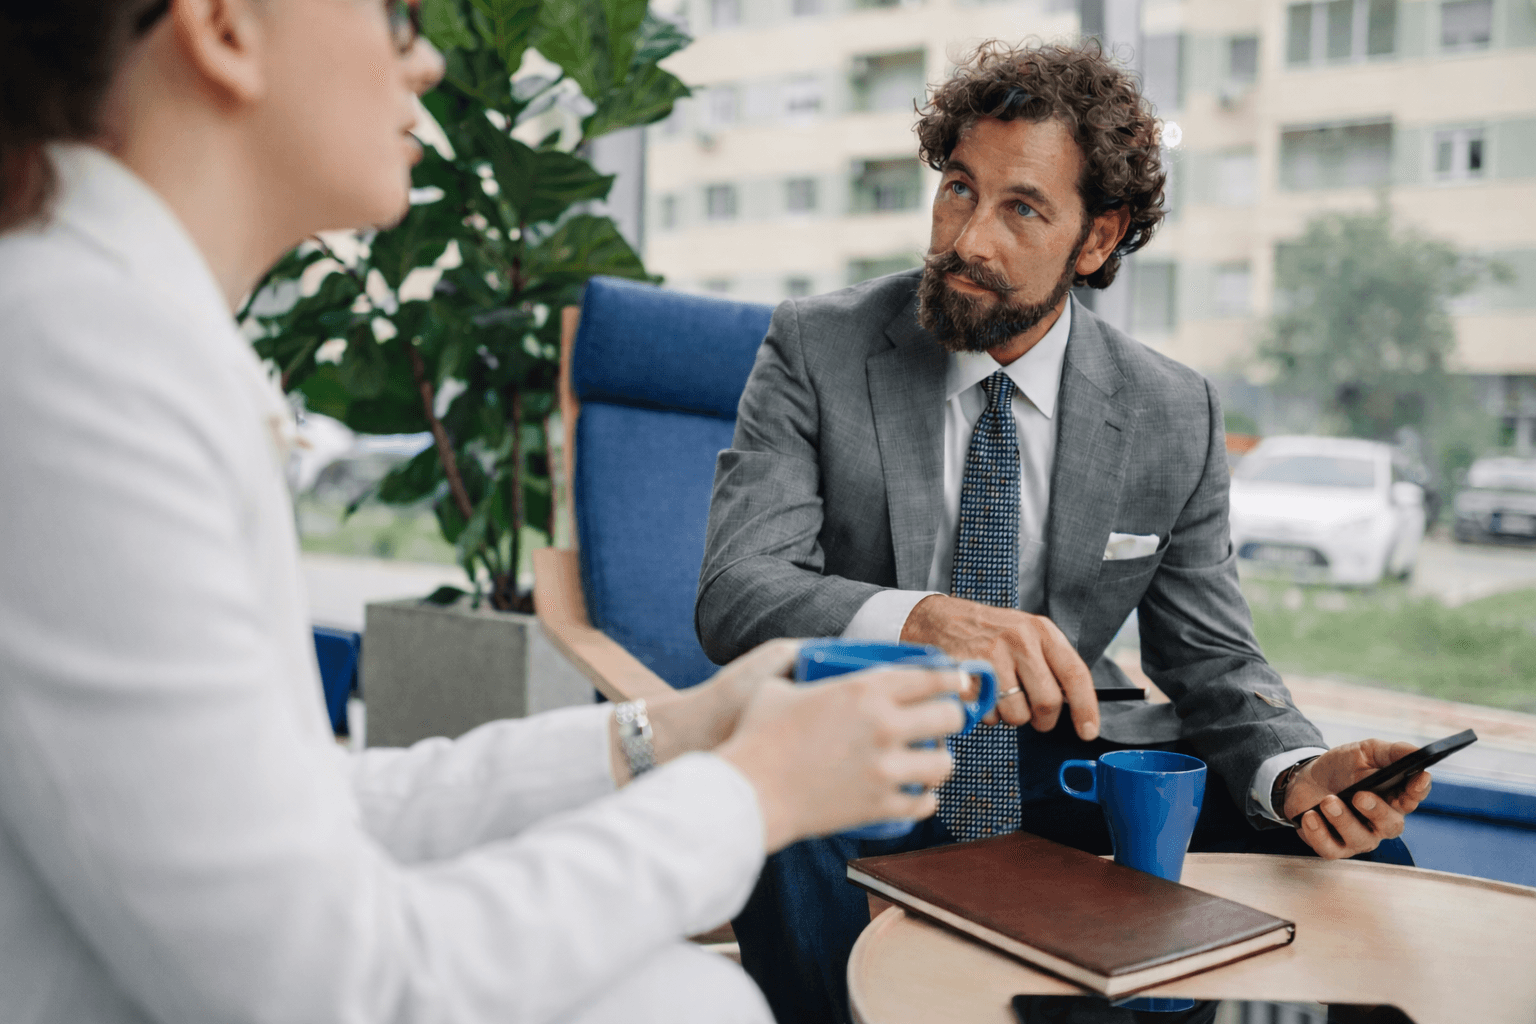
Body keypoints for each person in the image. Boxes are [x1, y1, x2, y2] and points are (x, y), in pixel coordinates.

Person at [0, 4, 970, 1023]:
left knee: (689, 994)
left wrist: (671, 735)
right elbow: (329, 983)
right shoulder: (78, 357)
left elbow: (314, 813)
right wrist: (754, 791)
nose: (423, 61)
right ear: (225, 25)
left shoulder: (116, 330)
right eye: (395, 14)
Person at [695, 40, 1434, 1024]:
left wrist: (1297, 772)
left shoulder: (1173, 412)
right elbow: (738, 589)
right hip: (863, 758)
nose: (969, 238)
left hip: (1063, 771)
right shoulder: (818, 347)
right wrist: (924, 619)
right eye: (959, 189)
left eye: (1022, 208)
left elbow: (1211, 656)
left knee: (1358, 848)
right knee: (773, 815)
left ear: (1098, 239)